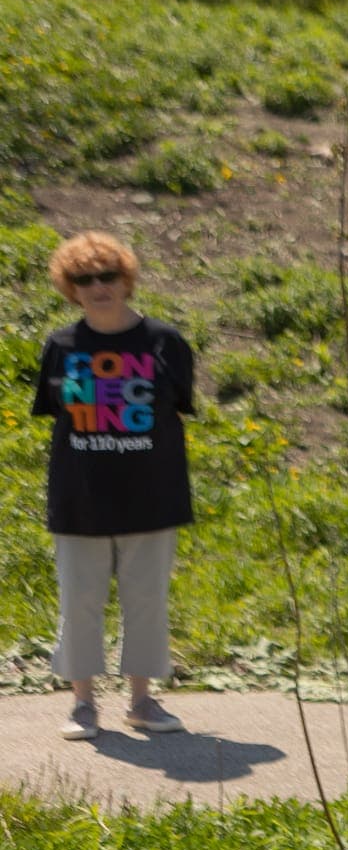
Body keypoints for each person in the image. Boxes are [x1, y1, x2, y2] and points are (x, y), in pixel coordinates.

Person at [30, 231, 196, 741]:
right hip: (80, 497)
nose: (98, 286)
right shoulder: (60, 347)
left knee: (146, 599)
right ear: (70, 288)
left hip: (152, 495)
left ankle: (142, 701)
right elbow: (56, 413)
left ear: (126, 280)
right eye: (84, 279)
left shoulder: (165, 342)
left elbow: (179, 405)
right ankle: (83, 705)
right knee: (79, 599)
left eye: (108, 276)